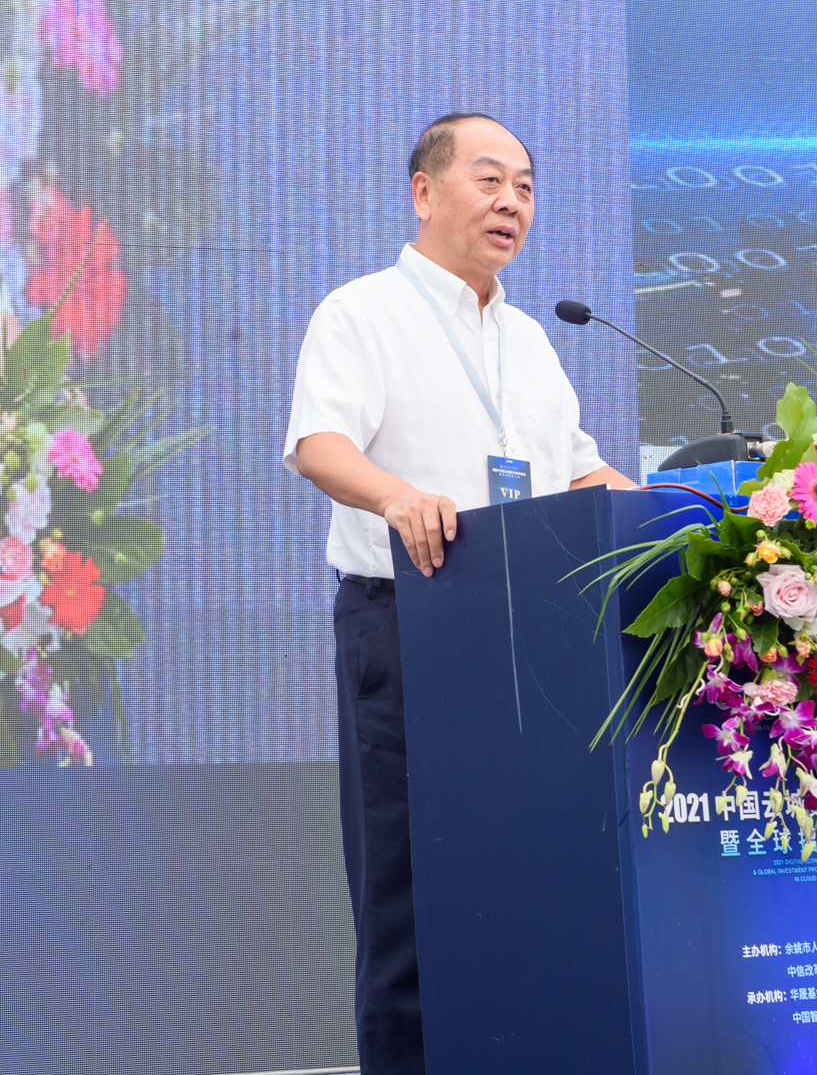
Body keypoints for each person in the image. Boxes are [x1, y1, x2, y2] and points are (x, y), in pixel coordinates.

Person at [282, 113, 635, 1073]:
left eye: (525, 186)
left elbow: (577, 471)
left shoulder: (530, 339)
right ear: (424, 191)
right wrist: (398, 497)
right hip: (411, 624)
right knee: (409, 894)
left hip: (538, 634)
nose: (511, 202)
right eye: (489, 180)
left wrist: (692, 518)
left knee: (529, 879)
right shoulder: (362, 312)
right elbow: (319, 444)